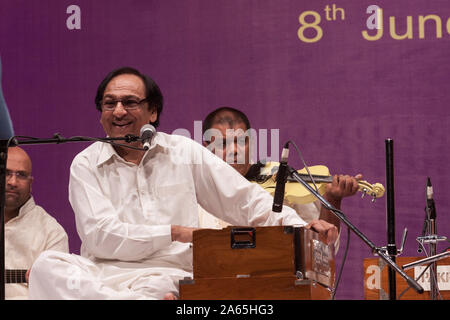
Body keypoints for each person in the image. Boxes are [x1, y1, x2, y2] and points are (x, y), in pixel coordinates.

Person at [28, 67, 338, 300]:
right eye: (109, 104)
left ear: (153, 111)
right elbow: (100, 238)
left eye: (129, 102)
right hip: (101, 275)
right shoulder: (85, 163)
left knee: (163, 289)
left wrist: (301, 226)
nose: (118, 111)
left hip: (166, 275)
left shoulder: (182, 151)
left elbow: (243, 200)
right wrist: (174, 232)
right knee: (46, 266)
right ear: (100, 115)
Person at [199, 107, 361, 246]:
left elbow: (320, 245)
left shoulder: (280, 177)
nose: (234, 150)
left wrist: (332, 200)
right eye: (223, 144)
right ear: (206, 148)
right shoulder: (196, 189)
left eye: (241, 141)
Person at [4, 146, 69, 299]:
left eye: (21, 175)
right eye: (6, 173)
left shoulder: (52, 233)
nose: (13, 182)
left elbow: (55, 292)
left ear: (31, 183)